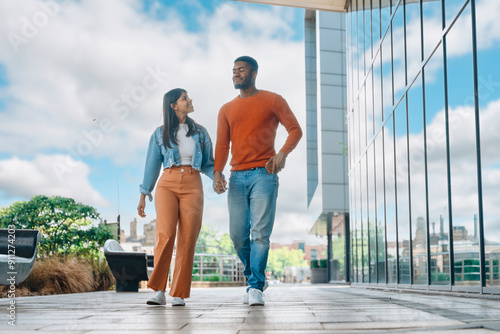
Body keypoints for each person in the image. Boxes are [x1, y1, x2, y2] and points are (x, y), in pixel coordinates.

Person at [213, 56, 302, 306]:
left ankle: (254, 288)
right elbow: (222, 144)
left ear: (254, 73)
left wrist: (283, 153)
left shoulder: (273, 100)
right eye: (233, 70)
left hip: (264, 175)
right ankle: (257, 277)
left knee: (260, 234)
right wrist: (217, 172)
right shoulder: (226, 109)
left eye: (241, 70)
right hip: (237, 177)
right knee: (238, 236)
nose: (235, 74)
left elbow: (295, 129)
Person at [137, 88, 216, 306]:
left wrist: (217, 178)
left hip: (193, 182)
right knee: (166, 235)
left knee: (188, 237)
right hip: (167, 183)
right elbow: (152, 165)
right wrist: (144, 194)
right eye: (184, 98)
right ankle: (159, 290)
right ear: (174, 106)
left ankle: (179, 292)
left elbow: (209, 163)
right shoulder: (159, 133)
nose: (190, 100)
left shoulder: (200, 131)